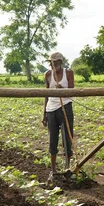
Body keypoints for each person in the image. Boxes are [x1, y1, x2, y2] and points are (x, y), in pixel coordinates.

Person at [42, 52, 75, 184]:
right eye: (51, 63)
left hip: (65, 107)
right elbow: (46, 94)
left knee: (67, 137)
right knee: (52, 139)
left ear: (60, 63)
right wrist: (44, 113)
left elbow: (72, 90)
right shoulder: (48, 74)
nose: (52, 65)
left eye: (55, 63)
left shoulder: (69, 73)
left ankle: (67, 168)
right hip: (51, 109)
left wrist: (63, 89)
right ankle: (53, 170)